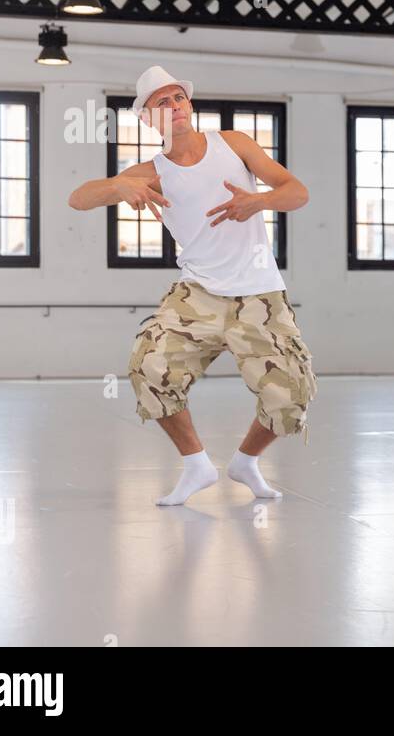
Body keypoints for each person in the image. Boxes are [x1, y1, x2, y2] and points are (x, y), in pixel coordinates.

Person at [68, 65, 317, 505]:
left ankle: (245, 462)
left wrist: (258, 201)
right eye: (161, 102)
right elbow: (79, 198)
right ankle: (197, 465)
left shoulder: (234, 144)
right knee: (149, 368)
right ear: (148, 119)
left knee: (292, 394)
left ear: (190, 105)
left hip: (259, 290)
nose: (174, 106)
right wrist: (119, 185)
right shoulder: (152, 170)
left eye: (178, 97)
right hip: (197, 293)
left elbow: (297, 192)